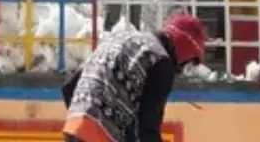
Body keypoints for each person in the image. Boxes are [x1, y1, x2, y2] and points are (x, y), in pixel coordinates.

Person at [62, 13, 207, 142]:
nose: (181, 71)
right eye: (188, 63)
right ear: (184, 49)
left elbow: (69, 87)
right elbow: (146, 129)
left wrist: (86, 122)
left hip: (74, 127)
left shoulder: (118, 38)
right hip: (104, 134)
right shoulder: (160, 61)